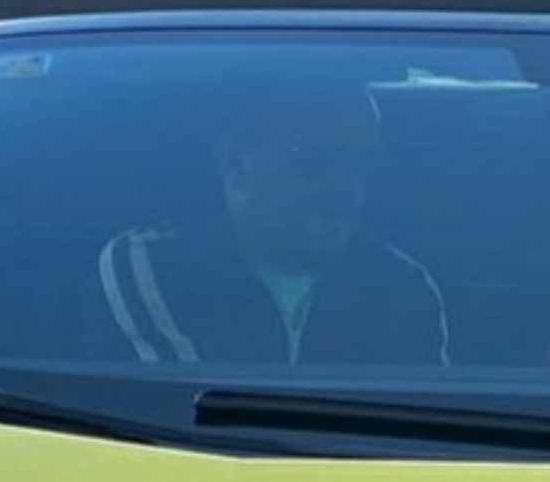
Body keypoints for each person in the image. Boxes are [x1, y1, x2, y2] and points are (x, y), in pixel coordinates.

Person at [99, 85, 448, 365]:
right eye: (317, 159)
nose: (347, 188)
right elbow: (195, 409)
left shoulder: (403, 285)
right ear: (235, 166)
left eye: (363, 166)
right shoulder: (154, 263)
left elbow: (429, 424)